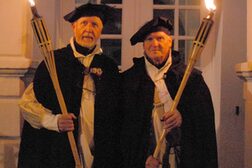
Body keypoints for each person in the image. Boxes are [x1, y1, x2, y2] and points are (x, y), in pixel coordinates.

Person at [18, 3, 120, 168]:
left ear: (100, 30)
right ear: (74, 27)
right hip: (60, 149)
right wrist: (54, 121)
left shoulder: (109, 67)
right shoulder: (54, 62)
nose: (89, 29)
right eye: (84, 23)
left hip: (97, 151)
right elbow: (27, 103)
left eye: (95, 24)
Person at [120, 17, 218, 168]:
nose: (154, 44)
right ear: (143, 46)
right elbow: (123, 129)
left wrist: (182, 116)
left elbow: (204, 126)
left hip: (182, 158)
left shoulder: (191, 79)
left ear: (170, 41)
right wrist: (142, 158)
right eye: (149, 39)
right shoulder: (129, 80)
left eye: (160, 38)